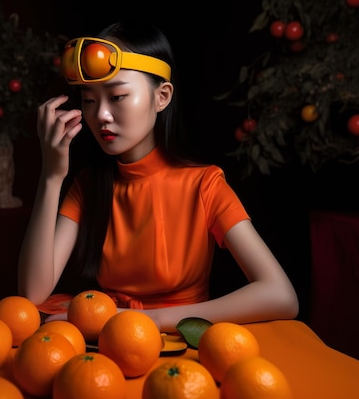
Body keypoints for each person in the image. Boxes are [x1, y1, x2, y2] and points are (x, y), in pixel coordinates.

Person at [18, 21, 299, 333]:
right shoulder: (88, 186)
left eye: (118, 96)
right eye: (89, 99)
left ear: (162, 97)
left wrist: (148, 320)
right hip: (108, 337)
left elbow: (280, 295)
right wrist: (51, 176)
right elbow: (33, 292)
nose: (101, 115)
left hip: (177, 343)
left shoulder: (204, 185)